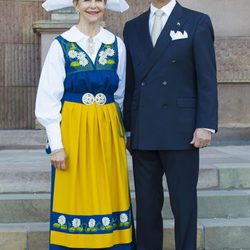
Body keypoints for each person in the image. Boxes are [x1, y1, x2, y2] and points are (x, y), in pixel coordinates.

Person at [35, 0, 135, 249]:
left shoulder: (116, 44)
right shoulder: (62, 45)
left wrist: (119, 132)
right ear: (76, 5)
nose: (93, 5)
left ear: (105, 5)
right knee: (75, 193)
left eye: (98, 0)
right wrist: (56, 145)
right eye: (86, 0)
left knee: (109, 192)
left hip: (108, 131)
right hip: (73, 130)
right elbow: (48, 99)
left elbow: (121, 94)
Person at [123, 0, 218, 249]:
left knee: (184, 205)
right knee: (146, 206)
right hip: (144, 130)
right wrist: (128, 128)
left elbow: (207, 78)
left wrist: (206, 124)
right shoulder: (132, 27)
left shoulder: (197, 21)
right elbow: (130, 84)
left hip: (182, 130)